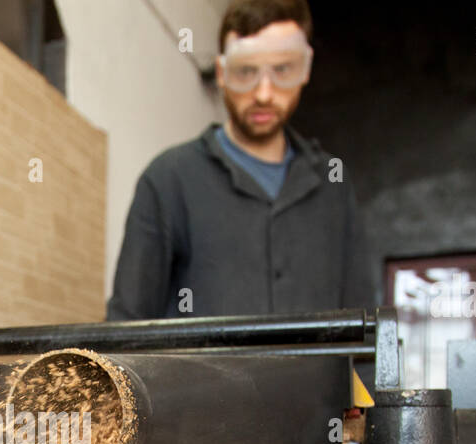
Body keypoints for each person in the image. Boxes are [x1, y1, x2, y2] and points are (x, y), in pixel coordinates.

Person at [107, 0, 377, 321]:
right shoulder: (168, 180)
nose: (264, 93)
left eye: (282, 70)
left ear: (305, 69)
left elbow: (363, 327)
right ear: (222, 73)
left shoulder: (334, 187)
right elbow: (126, 326)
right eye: (246, 71)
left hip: (316, 375)